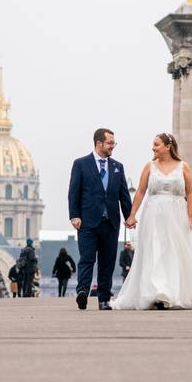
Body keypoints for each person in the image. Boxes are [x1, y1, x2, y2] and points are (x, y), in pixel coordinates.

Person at [111, 133, 192, 310]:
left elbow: (191, 193)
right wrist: (132, 215)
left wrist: (191, 215)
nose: (153, 148)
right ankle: (156, 292)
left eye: (156, 144)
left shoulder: (183, 167)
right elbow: (140, 192)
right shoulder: (149, 167)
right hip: (153, 213)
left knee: (174, 252)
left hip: (177, 214)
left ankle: (172, 292)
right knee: (155, 251)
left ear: (168, 146)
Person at [67, 128, 133, 310]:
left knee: (107, 261)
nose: (113, 146)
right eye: (110, 143)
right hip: (87, 222)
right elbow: (74, 193)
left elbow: (124, 195)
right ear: (99, 143)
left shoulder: (118, 167)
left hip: (111, 223)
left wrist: (130, 217)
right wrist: (74, 216)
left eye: (114, 143)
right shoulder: (81, 164)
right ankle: (82, 292)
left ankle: (104, 299)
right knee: (87, 259)